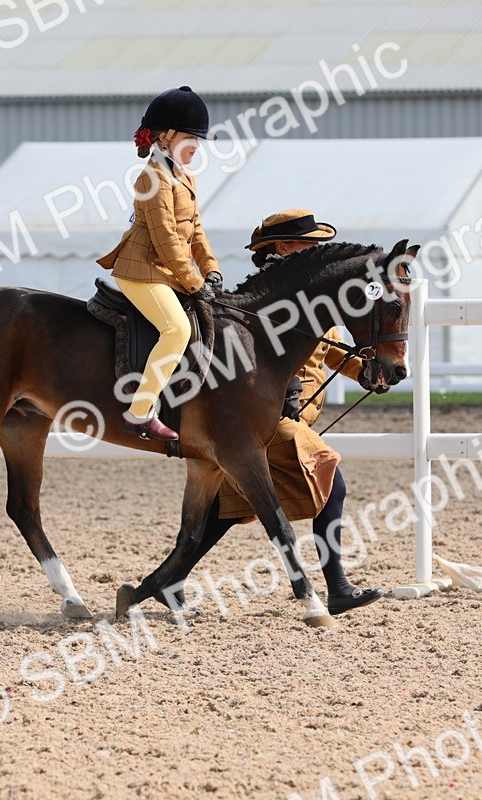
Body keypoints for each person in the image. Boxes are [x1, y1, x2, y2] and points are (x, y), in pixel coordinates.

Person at [164, 209, 385, 615]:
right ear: (282, 248)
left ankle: (169, 579)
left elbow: (330, 347)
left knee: (231, 506)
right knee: (331, 483)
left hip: (291, 417)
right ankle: (336, 586)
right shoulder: (265, 300)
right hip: (267, 417)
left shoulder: (312, 295)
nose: (317, 250)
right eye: (308, 243)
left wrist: (364, 371)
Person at [97, 86, 222, 442]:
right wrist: (194, 282)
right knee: (177, 330)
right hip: (141, 270)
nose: (197, 145)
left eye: (199, 139)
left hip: (168, 271)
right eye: (190, 137)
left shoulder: (185, 176)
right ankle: (140, 413)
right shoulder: (151, 178)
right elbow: (166, 238)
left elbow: (195, 230)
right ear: (165, 137)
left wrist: (211, 268)